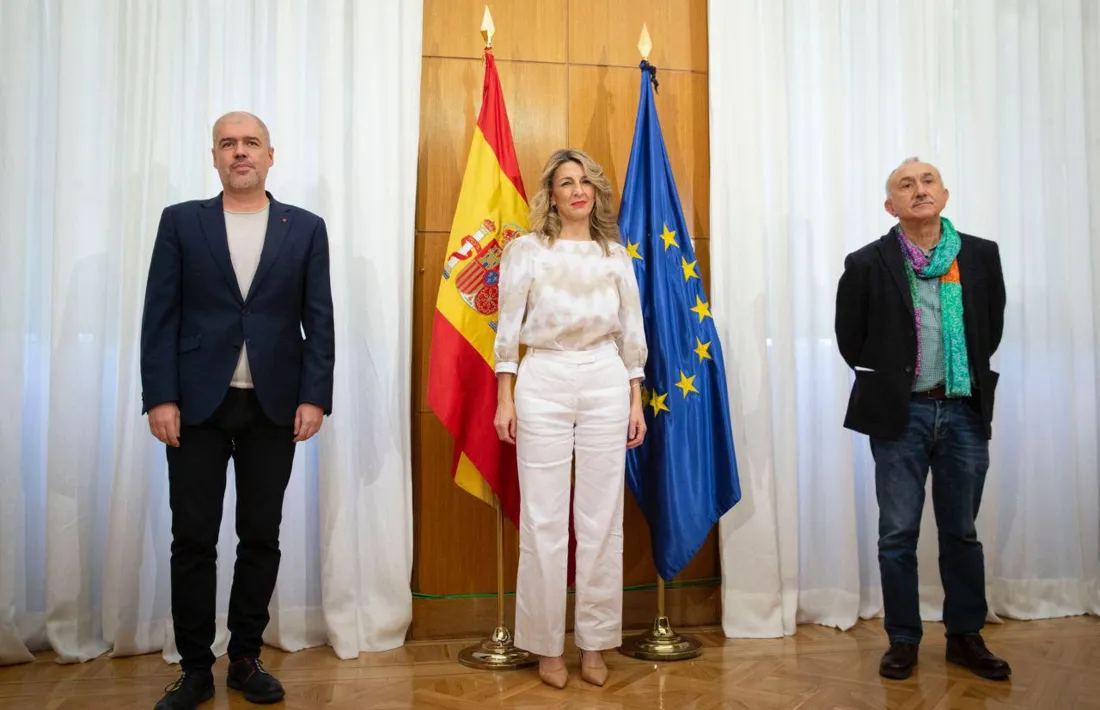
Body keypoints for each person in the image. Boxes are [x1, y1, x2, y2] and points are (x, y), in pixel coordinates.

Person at [140, 111, 334, 709]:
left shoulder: (304, 228)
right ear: (215, 157)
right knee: (193, 538)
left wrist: (313, 396)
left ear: (270, 155)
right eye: (229, 144)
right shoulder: (181, 223)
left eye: (251, 143)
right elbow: (160, 316)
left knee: (260, 534)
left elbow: (319, 320)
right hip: (196, 405)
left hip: (274, 406)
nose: (240, 152)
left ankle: (245, 657)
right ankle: (195, 667)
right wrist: (161, 397)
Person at [834, 157, 1009, 681]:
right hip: (900, 415)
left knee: (961, 532)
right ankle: (904, 639)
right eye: (906, 185)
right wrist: (894, 378)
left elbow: (990, 328)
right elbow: (851, 338)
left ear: (945, 194)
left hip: (963, 411)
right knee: (898, 534)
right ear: (891, 206)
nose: (919, 190)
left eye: (927, 181)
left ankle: (965, 636)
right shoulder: (867, 262)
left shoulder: (980, 256)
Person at [493, 148, 648, 689]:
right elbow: (508, 326)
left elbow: (632, 332)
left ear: (596, 192)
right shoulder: (527, 251)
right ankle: (545, 646)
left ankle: (596, 642)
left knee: (602, 518)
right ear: (552, 194)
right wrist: (505, 397)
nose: (577, 189)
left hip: (606, 378)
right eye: (566, 182)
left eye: (585, 181)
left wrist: (635, 397)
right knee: (543, 518)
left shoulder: (614, 254)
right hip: (545, 379)